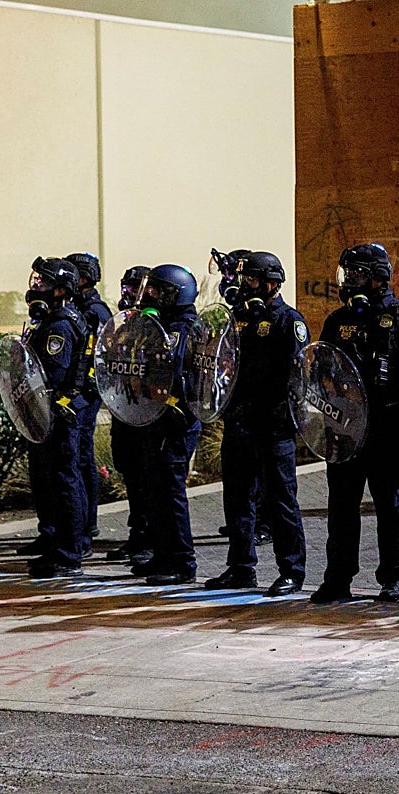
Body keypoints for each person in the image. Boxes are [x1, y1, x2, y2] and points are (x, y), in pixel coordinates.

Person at [310, 244, 399, 604]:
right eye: (346, 274)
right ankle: (338, 577)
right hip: (347, 430)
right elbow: (321, 373)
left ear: (377, 278)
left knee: (390, 509)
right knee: (342, 508)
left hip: (387, 430)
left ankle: (393, 577)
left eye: (356, 274)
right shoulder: (337, 321)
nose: (348, 281)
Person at [205, 251, 310, 596]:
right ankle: (240, 567)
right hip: (240, 421)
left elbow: (298, 377)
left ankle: (291, 570)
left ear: (272, 283)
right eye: (243, 279)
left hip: (273, 424)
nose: (244, 286)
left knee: (280, 499)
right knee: (237, 498)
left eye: (251, 280)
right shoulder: (238, 318)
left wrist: (286, 418)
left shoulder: (287, 321)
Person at [129, 265, 202, 585]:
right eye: (151, 289)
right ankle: (162, 554)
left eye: (160, 291)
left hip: (176, 420)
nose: (152, 295)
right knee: (154, 489)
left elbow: (181, 374)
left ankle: (182, 561)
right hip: (154, 417)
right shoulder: (156, 325)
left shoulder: (183, 328)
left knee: (170, 491)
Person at [18, 257, 90, 577]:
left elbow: (52, 375)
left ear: (61, 290)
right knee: (55, 482)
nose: (37, 287)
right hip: (49, 416)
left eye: (44, 283)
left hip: (58, 416)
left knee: (64, 483)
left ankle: (67, 553)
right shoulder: (52, 319)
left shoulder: (60, 325)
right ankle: (56, 544)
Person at [209, 247, 272, 545]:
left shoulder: (277, 319)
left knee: (263, 476)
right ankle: (243, 532)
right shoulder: (238, 314)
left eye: (239, 276)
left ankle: (264, 523)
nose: (233, 282)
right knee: (239, 482)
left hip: (264, 413)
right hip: (238, 411)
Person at [104, 266, 154, 566]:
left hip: (145, 412)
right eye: (125, 287)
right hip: (123, 408)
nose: (128, 294)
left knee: (147, 480)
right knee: (131, 476)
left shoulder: (151, 325)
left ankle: (149, 541)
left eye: (134, 288)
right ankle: (137, 536)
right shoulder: (123, 324)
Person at [65, 252, 111, 548]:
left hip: (85, 394)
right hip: (75, 392)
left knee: (81, 457)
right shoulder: (75, 307)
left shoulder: (95, 311)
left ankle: (86, 523)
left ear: (82, 278)